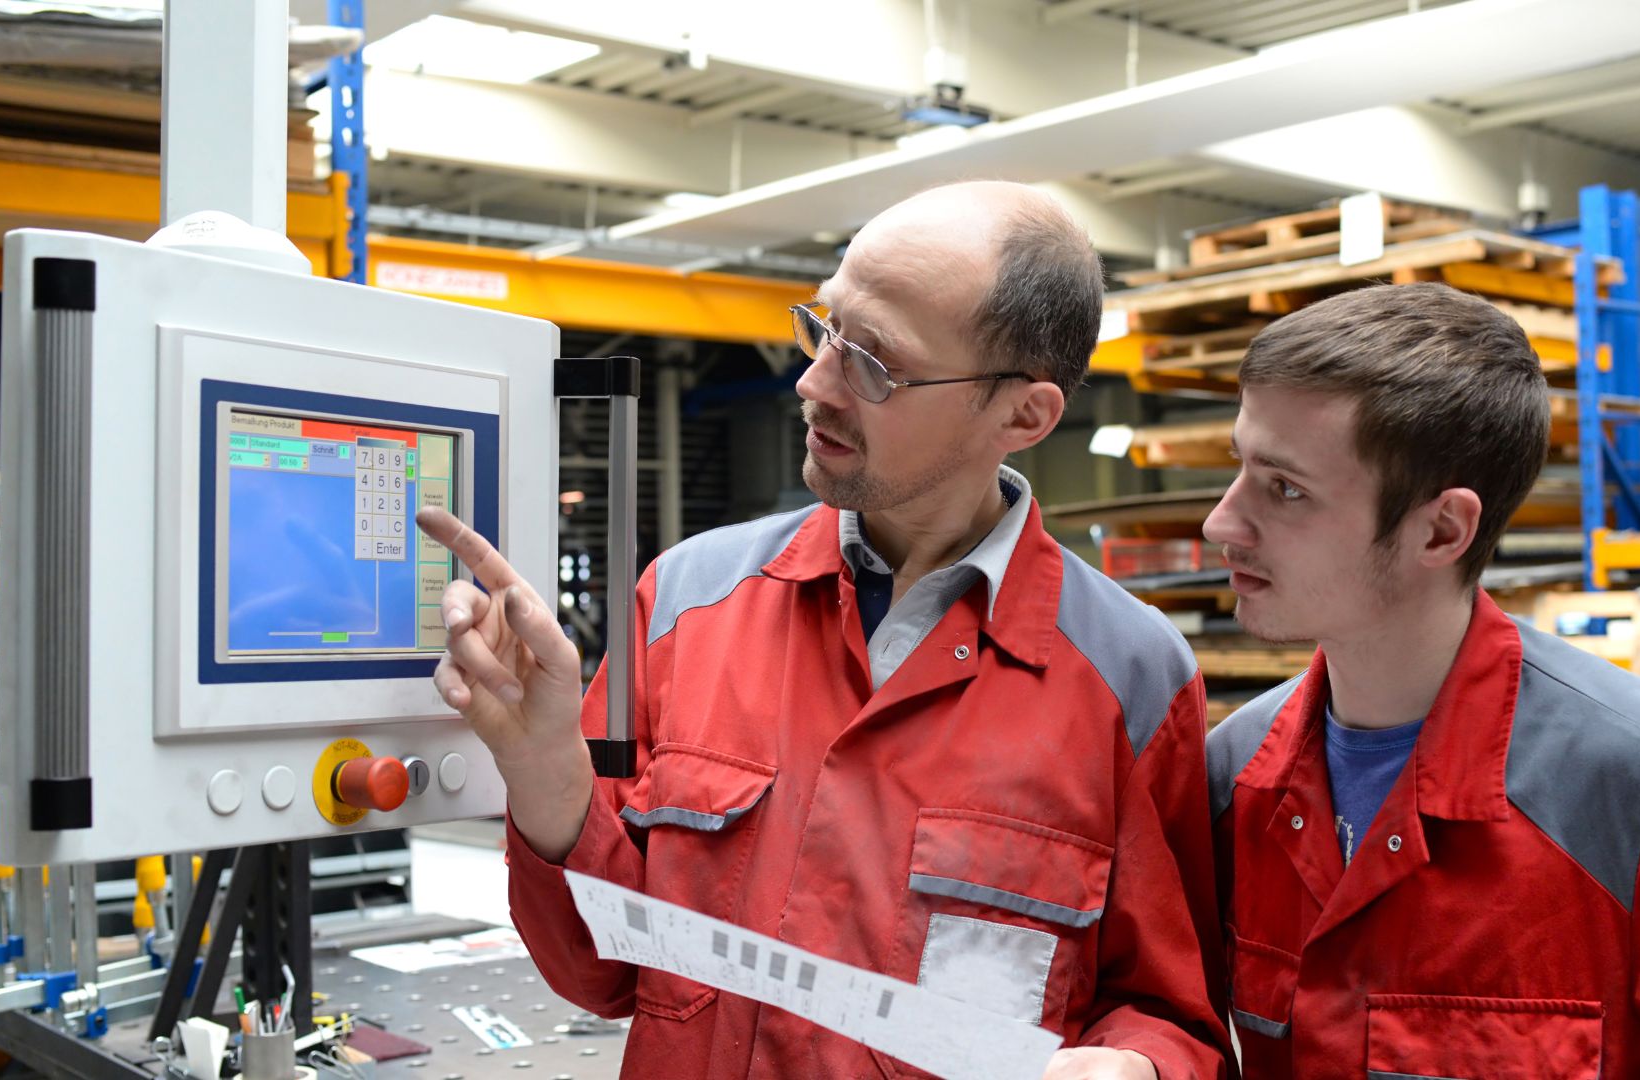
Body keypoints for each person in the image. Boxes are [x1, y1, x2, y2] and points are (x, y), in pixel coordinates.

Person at [418, 181, 1233, 1079]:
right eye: (824, 328)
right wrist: (544, 768)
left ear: (1023, 415)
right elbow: (602, 972)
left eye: (874, 363)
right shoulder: (688, 600)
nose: (813, 383)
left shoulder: (1131, 677)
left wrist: (1137, 1065)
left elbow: (1172, 1014)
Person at [1201, 281, 1640, 1077]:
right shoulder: (1236, 777)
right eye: (1240, 467)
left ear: (1441, 530)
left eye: (1286, 488)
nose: (1221, 522)